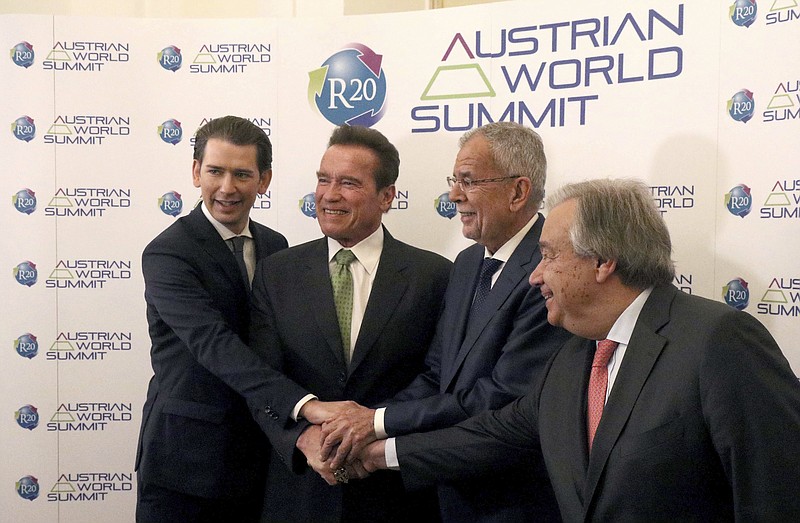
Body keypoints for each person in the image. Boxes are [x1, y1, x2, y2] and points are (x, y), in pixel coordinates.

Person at [359, 178, 800, 521]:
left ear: (603, 261)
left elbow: (777, 494)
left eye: (548, 256)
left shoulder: (719, 340)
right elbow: (494, 434)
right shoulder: (574, 356)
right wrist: (376, 453)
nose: (534, 276)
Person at [318, 122, 570, 521]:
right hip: (450, 498)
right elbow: (437, 375)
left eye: (468, 181)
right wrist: (366, 422)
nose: (454, 195)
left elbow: (498, 397)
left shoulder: (549, 270)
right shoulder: (468, 263)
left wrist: (376, 424)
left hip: (512, 503)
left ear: (518, 192)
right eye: (455, 180)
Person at [249, 125, 452, 522]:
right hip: (300, 494)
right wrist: (302, 440)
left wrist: (370, 428)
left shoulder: (435, 276)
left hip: (395, 494)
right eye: (323, 180)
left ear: (387, 196)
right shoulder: (277, 273)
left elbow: (438, 377)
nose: (329, 195)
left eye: (349, 183)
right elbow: (260, 381)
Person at [135, 116, 290, 521]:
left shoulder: (277, 246)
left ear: (264, 180)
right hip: (185, 467)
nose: (227, 187)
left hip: (261, 463)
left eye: (242, 174)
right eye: (215, 171)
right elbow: (213, 344)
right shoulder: (169, 252)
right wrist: (301, 406)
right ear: (195, 172)